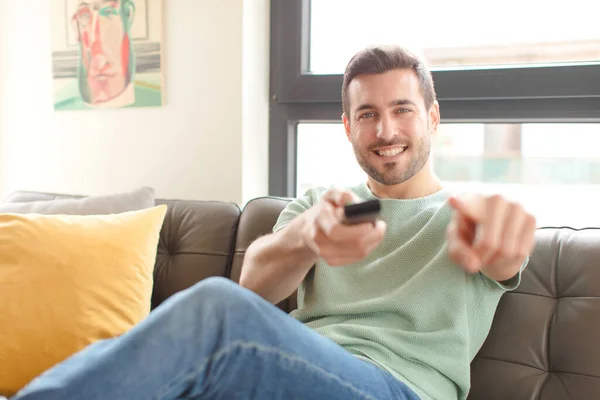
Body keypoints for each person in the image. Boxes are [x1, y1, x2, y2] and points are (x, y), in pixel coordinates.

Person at [12, 45, 536, 400]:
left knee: (212, 308)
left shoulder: (464, 217)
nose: (386, 129)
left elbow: (505, 253)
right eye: (368, 114)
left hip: (395, 389)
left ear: (433, 117)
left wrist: (502, 236)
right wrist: (307, 236)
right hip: (291, 373)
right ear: (348, 127)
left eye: (402, 110)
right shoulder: (320, 206)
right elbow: (255, 285)